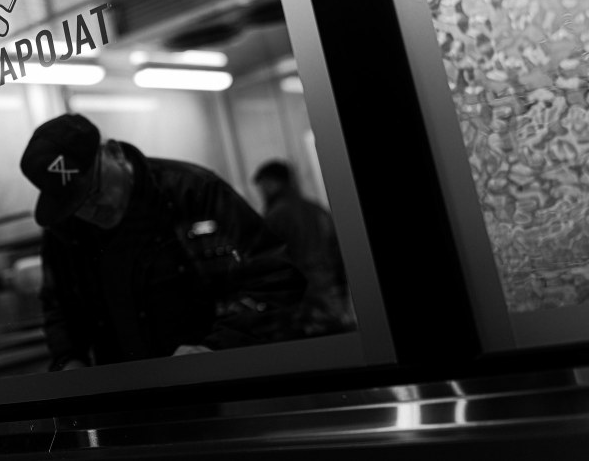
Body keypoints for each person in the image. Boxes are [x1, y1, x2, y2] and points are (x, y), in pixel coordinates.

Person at [19, 113, 306, 370]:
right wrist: (69, 359)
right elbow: (58, 307)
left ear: (115, 153)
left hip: (216, 387)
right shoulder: (65, 230)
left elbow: (276, 277)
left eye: (95, 190)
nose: (91, 209)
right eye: (76, 204)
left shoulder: (193, 192)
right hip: (124, 397)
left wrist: (217, 347)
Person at [252, 160, 355, 336]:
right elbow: (339, 254)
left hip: (301, 305)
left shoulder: (277, 215)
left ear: (271, 183)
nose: (261, 192)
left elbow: (268, 261)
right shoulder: (317, 210)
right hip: (331, 298)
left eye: (262, 186)